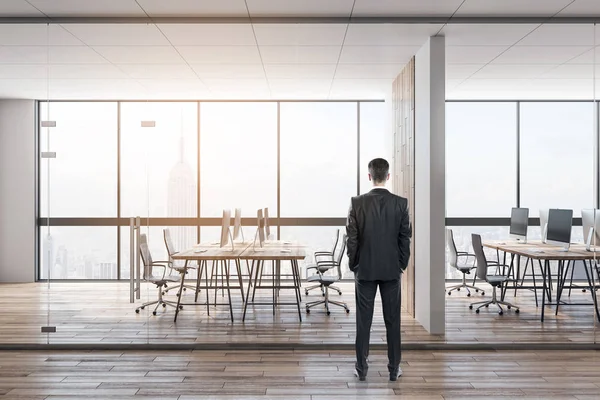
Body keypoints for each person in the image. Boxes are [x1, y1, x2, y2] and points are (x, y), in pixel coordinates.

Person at [346, 158, 411, 382]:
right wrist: (401, 264)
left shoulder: (356, 203)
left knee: (363, 321)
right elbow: (405, 239)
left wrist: (353, 264)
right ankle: (394, 369)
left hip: (364, 270)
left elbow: (352, 240)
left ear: (369, 176)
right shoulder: (401, 203)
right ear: (388, 176)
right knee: (393, 321)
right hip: (391, 270)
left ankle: (361, 369)